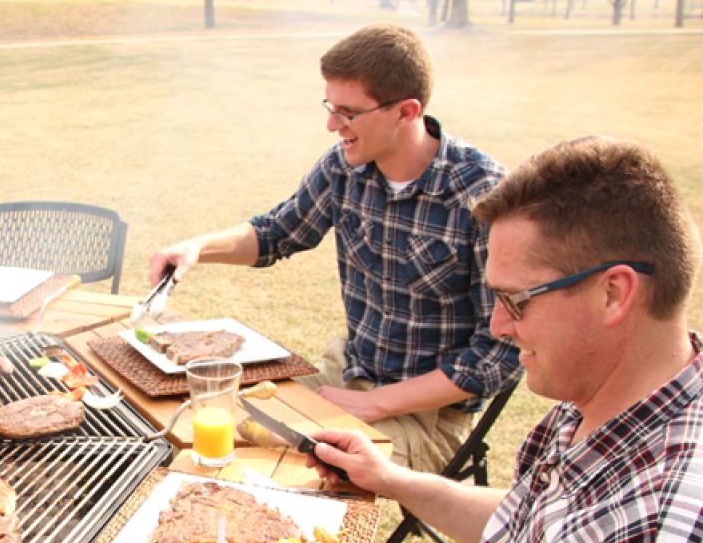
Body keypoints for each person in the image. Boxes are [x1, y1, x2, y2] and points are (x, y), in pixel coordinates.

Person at [229, 136, 703, 543]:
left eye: (516, 301)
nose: (501, 328)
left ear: (614, 293)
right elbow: (537, 526)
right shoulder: (623, 393)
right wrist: (394, 480)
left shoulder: (666, 530)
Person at [149, 23, 520, 474]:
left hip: (429, 413)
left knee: (291, 467)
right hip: (345, 372)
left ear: (405, 112)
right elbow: (278, 232)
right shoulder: (345, 168)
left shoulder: (483, 195)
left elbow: (499, 355)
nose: (332, 126)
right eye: (331, 108)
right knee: (211, 420)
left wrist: (377, 404)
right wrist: (195, 248)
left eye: (348, 113)